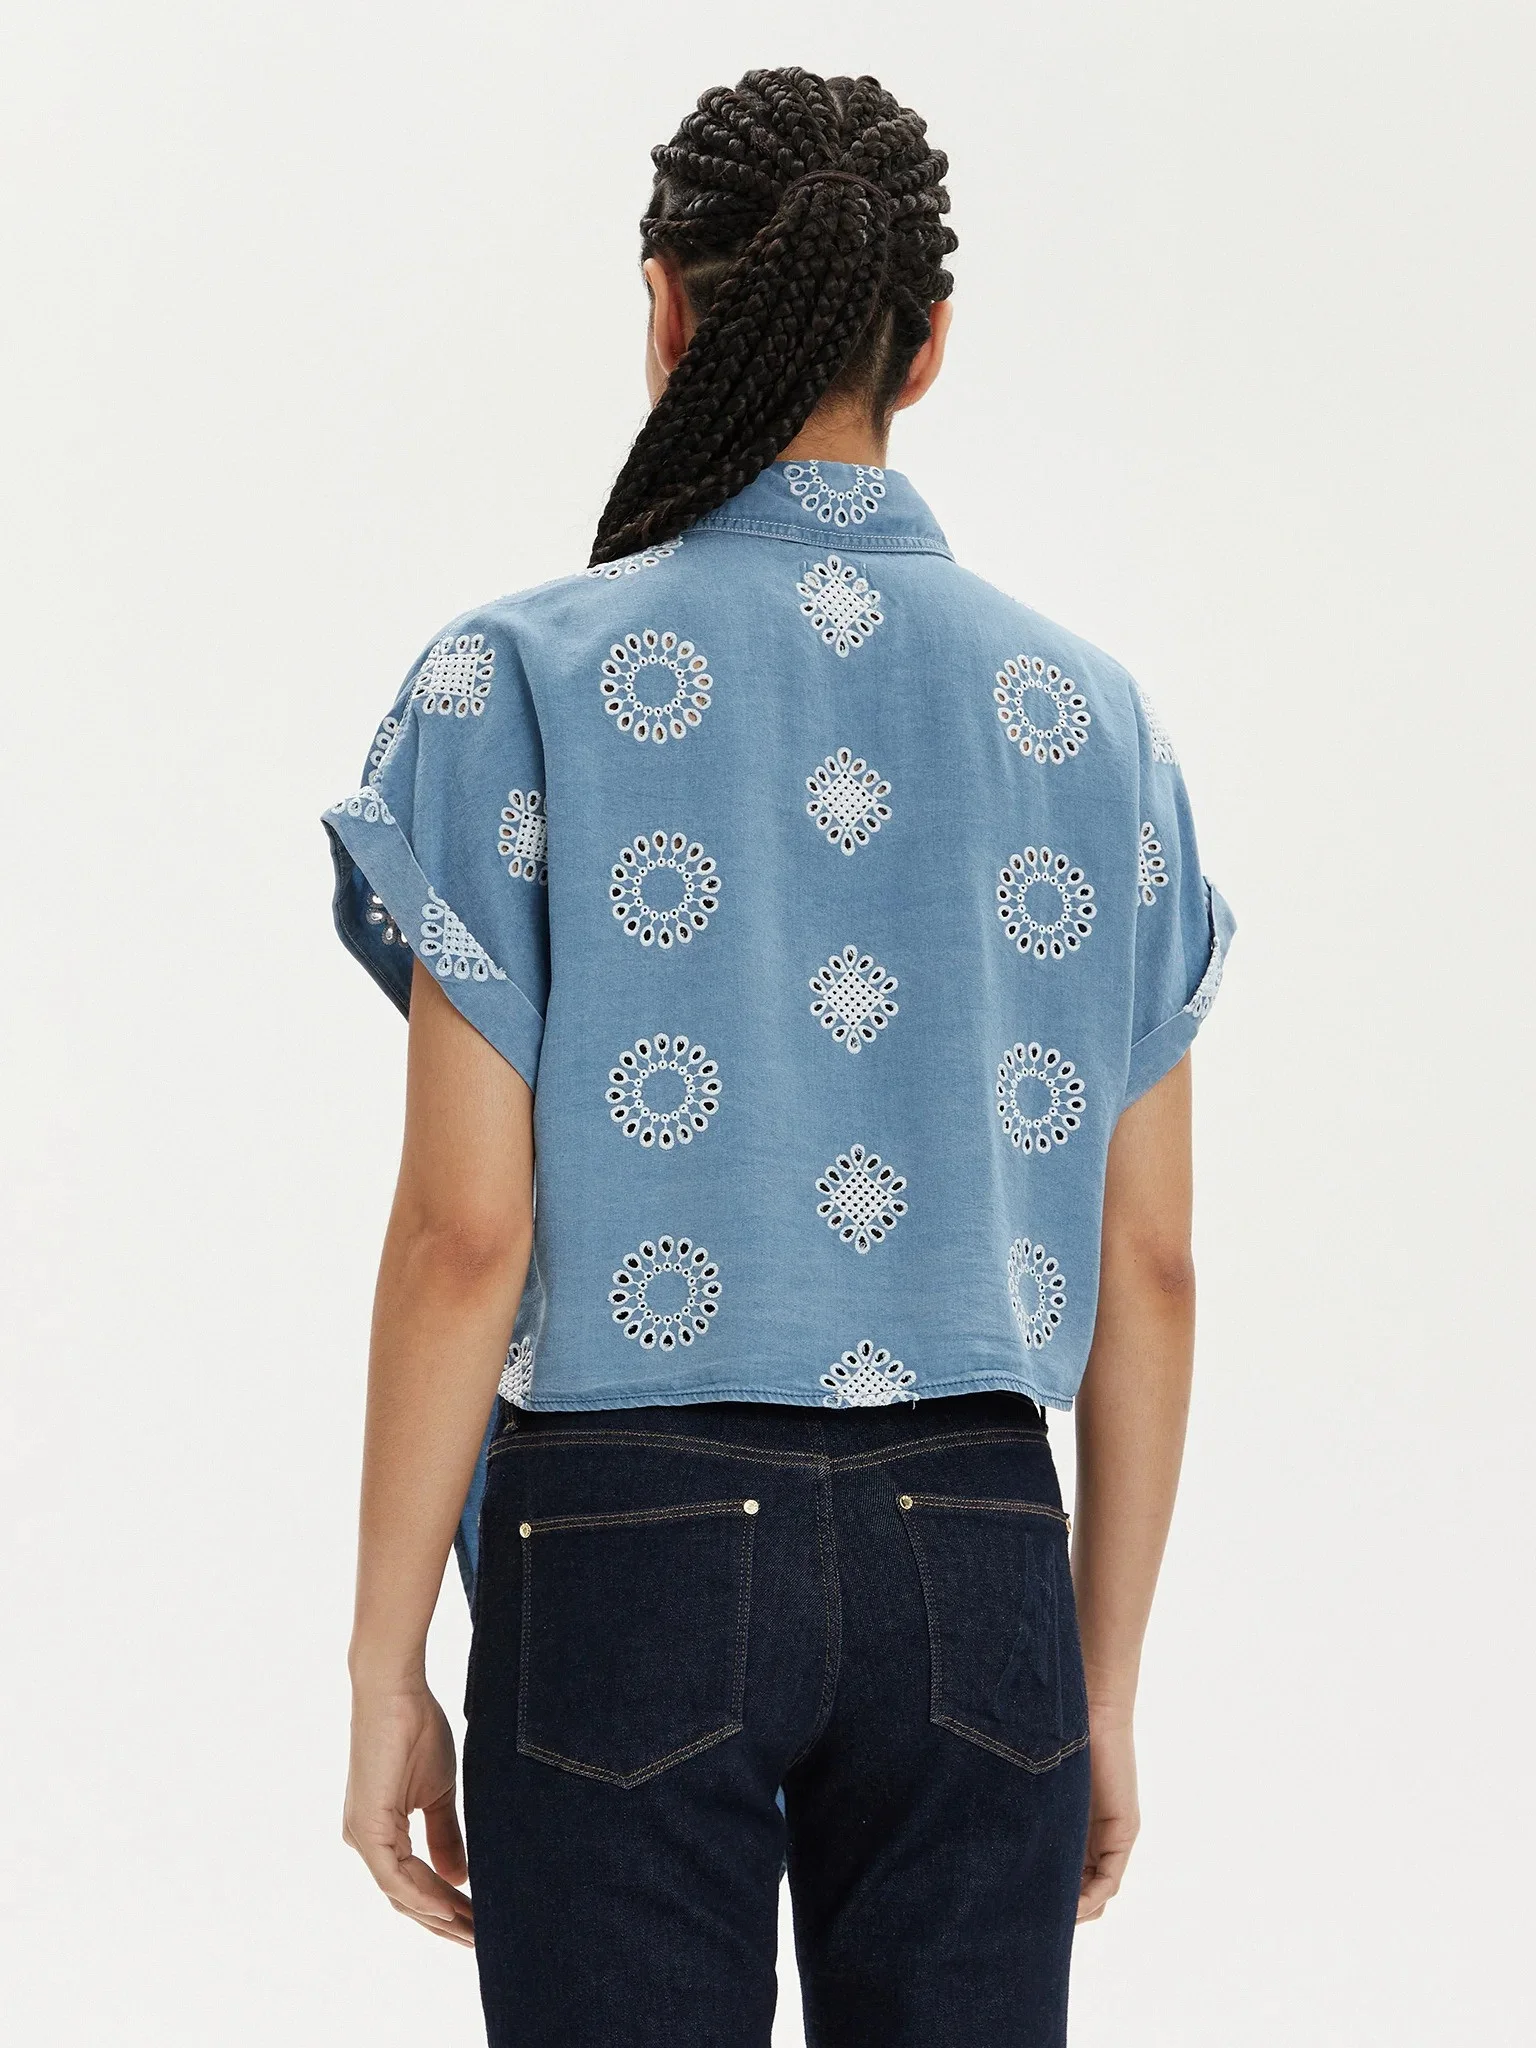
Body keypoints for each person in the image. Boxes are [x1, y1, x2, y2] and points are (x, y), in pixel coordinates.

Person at [323, 65, 1234, 2048]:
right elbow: (1151, 1264)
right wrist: (1102, 1684)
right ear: (930, 343)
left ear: (666, 310)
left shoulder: (513, 683)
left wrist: (388, 1664)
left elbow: (467, 1237)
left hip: (621, 1540)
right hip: (982, 1547)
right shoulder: (1094, 722)